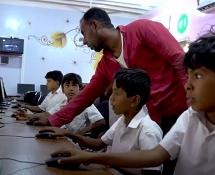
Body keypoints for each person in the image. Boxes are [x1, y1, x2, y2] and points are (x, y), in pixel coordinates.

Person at [51, 33, 215, 175]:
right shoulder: (190, 117)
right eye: (187, 76)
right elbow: (156, 155)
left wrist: (92, 157)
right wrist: (89, 157)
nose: (187, 85)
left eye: (197, 76)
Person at [30, 7, 187, 135]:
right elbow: (86, 96)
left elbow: (180, 60)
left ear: (95, 25)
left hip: (183, 113)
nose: (84, 41)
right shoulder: (105, 64)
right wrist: (53, 120)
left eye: (83, 34)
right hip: (154, 121)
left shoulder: (142, 29)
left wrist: (195, 107)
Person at [42, 68, 163, 175]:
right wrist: (68, 134)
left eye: (117, 93)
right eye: (112, 92)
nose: (111, 98)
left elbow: (151, 172)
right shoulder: (122, 120)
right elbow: (99, 144)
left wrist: (98, 159)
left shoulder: (148, 130)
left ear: (134, 100)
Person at [36, 73, 105, 135]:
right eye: (67, 86)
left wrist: (77, 134)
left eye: (74, 85)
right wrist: (29, 116)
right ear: (63, 90)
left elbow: (100, 121)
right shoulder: (63, 103)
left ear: (80, 89)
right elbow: (48, 114)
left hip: (81, 139)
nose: (71, 89)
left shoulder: (86, 104)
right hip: (67, 136)